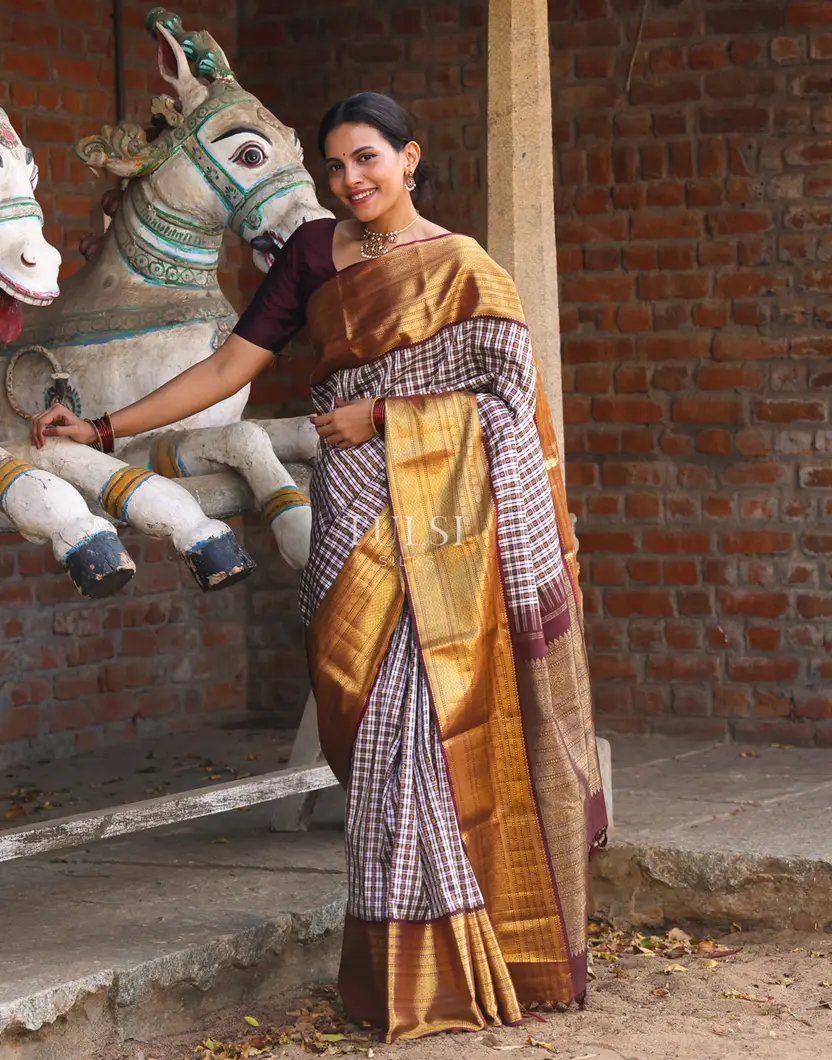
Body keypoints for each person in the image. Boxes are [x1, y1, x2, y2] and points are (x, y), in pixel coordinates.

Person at [31, 92, 607, 1043]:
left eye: (367, 159)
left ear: (409, 157)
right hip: (354, 513)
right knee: (369, 719)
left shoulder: (466, 267)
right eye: (336, 167)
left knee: (429, 728)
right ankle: (411, 970)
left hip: (450, 520)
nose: (350, 181)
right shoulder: (311, 254)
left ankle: (461, 968)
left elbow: (509, 402)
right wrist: (101, 429)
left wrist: (383, 415)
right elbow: (227, 370)